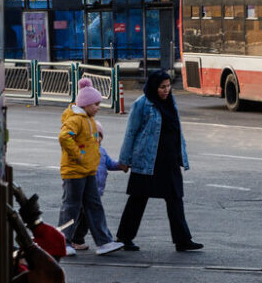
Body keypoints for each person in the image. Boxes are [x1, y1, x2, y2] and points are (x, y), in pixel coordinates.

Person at [116, 70, 203, 252]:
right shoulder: (142, 104)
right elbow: (131, 132)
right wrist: (124, 160)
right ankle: (124, 237)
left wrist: (182, 155)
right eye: (162, 87)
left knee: (175, 199)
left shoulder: (171, 102)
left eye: (168, 86)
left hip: (169, 160)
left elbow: (176, 131)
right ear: (154, 87)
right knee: (138, 199)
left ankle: (183, 240)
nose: (166, 90)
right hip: (148, 160)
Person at [57, 78, 124, 256]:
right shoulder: (76, 120)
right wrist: (79, 156)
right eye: (96, 104)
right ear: (86, 104)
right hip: (74, 172)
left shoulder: (89, 119)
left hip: (88, 172)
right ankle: (63, 242)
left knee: (94, 206)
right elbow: (64, 137)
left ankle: (104, 242)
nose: (98, 107)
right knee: (70, 207)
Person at [68, 120, 126, 251]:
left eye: (99, 135)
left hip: (96, 191)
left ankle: (78, 239)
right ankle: (77, 239)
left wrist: (121, 165)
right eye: (93, 135)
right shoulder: (84, 150)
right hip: (84, 189)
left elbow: (110, 164)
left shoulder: (102, 151)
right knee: (86, 216)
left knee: (86, 217)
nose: (97, 138)